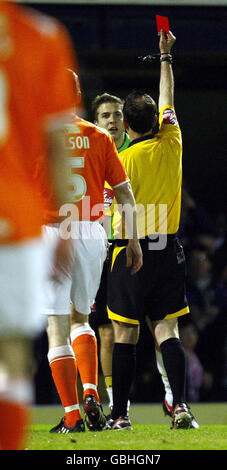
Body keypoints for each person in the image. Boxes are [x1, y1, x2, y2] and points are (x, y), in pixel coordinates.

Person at [106, 29, 198, 430]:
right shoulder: (173, 139)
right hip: (168, 250)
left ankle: (121, 416)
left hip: (131, 251)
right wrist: (166, 57)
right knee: (167, 329)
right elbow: (169, 99)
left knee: (125, 335)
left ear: (125, 124)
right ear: (158, 120)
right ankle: (180, 408)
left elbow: (121, 211)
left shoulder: (122, 160)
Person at [43, 77, 142, 434]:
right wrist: (131, 240)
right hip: (90, 230)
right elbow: (125, 195)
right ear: (80, 97)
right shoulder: (99, 137)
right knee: (82, 319)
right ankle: (90, 391)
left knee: (56, 327)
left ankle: (72, 415)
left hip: (50, 231)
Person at [0, 0, 78, 449]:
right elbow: (56, 145)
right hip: (17, 219)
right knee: (10, 353)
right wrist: (66, 225)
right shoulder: (44, 35)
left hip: (22, 218)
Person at [89, 92, 183, 425]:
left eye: (116, 114)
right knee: (107, 332)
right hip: (103, 249)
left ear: (126, 123)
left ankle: (170, 395)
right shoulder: (94, 153)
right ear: (96, 122)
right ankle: (118, 403)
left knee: (149, 327)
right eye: (105, 116)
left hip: (130, 247)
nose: (112, 120)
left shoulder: (128, 155)